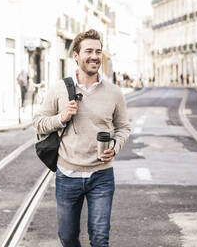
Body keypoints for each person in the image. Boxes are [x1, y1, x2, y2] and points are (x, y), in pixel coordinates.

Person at [33, 29, 131, 247]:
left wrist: (115, 147)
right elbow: (38, 122)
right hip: (67, 175)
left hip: (102, 175)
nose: (95, 56)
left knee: (100, 238)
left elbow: (124, 128)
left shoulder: (114, 92)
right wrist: (61, 117)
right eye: (89, 51)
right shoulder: (60, 88)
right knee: (67, 238)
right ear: (76, 56)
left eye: (98, 51)